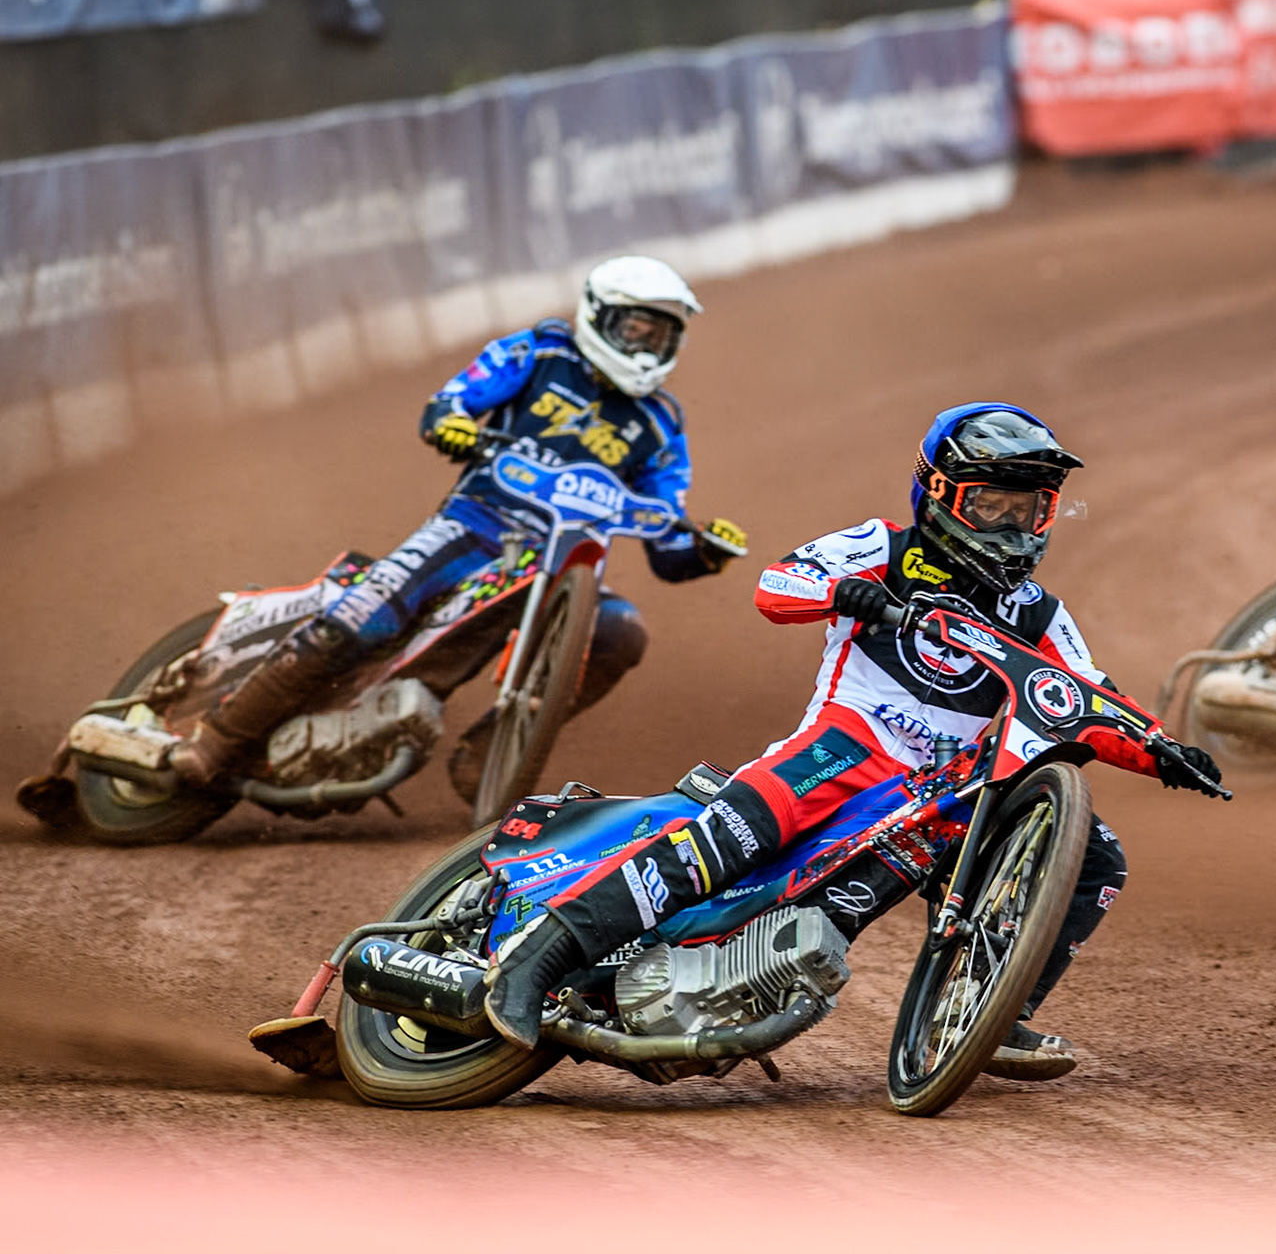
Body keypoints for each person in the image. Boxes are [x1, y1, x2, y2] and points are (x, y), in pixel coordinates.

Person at [482, 404, 1223, 1080]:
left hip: (941, 796)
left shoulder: (1041, 614)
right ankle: (533, 962)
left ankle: (991, 1009)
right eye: (989, 504)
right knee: (725, 840)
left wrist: (1160, 748)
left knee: (1095, 856)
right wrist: (847, 591)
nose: (1010, 525)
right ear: (938, 493)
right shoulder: (881, 546)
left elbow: (1084, 700)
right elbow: (777, 585)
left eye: (1028, 507)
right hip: (847, 746)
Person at [169, 256, 747, 794]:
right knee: (361, 620)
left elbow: (666, 537)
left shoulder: (662, 423)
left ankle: (491, 755)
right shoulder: (540, 353)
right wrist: (453, 423)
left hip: (560, 563)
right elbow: (452, 401)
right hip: (475, 526)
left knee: (621, 632)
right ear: (600, 315)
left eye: (662, 337)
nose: (647, 348)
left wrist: (704, 550)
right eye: (637, 331)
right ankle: (217, 740)